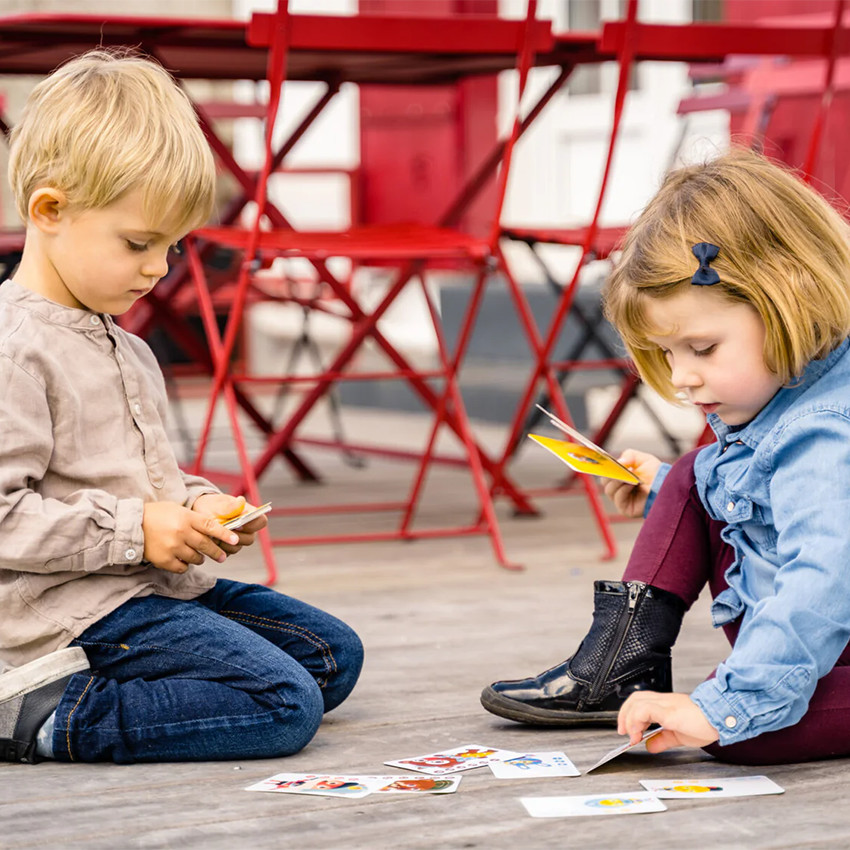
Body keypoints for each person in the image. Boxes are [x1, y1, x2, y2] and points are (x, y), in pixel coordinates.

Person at [0, 49, 363, 765]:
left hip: (146, 592)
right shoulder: (16, 349)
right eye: (138, 243)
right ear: (49, 210)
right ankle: (44, 715)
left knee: (332, 656)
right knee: (284, 704)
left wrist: (196, 507)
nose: (158, 267)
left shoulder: (126, 346)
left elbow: (135, 479)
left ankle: (116, 685)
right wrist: (139, 531)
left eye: (172, 245)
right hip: (65, 617)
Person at [481, 147, 850, 765]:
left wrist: (726, 705)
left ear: (794, 299)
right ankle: (621, 661)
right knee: (687, 475)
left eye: (702, 348)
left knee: (743, 733)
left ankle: (729, 689)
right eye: (669, 354)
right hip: (815, 644)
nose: (682, 379)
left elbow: (824, 576)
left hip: (828, 640)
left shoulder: (825, 433)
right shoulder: (780, 395)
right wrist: (665, 495)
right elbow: (766, 502)